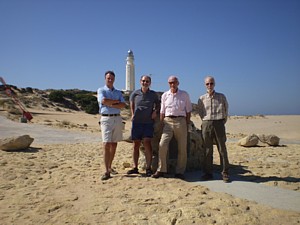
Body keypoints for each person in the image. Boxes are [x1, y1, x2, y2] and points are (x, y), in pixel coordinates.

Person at [152, 76, 192, 180]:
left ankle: (180, 171)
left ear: (178, 83)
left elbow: (188, 111)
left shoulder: (184, 94)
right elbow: (162, 111)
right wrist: (162, 123)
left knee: (182, 147)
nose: (172, 84)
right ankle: (162, 169)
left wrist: (186, 124)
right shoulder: (165, 95)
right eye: (170, 83)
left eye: (174, 82)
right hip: (167, 122)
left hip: (181, 121)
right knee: (162, 145)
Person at [198, 75, 230, 182]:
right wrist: (206, 121)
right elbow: (201, 112)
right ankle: (208, 173)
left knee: (222, 149)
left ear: (214, 84)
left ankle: (225, 172)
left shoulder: (221, 96)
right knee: (207, 149)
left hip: (219, 123)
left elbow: (226, 110)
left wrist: (221, 122)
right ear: (205, 85)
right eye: (207, 84)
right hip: (206, 124)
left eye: (211, 83)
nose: (209, 85)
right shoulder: (201, 98)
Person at [127, 75, 160, 177]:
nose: (145, 83)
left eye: (147, 81)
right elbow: (131, 103)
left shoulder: (153, 94)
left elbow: (158, 104)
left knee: (147, 143)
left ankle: (148, 168)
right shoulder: (135, 93)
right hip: (136, 122)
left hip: (148, 123)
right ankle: (135, 167)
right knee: (135, 145)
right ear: (140, 81)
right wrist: (132, 114)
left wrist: (155, 111)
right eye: (143, 81)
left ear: (150, 83)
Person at [97, 71, 126, 180]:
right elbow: (103, 101)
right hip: (106, 118)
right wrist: (116, 102)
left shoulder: (118, 92)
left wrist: (111, 103)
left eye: (112, 78)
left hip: (117, 118)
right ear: (105, 78)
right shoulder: (101, 90)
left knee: (114, 144)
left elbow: (123, 104)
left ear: (114, 79)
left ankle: (109, 167)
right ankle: (106, 171)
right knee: (106, 144)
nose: (110, 80)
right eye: (108, 78)